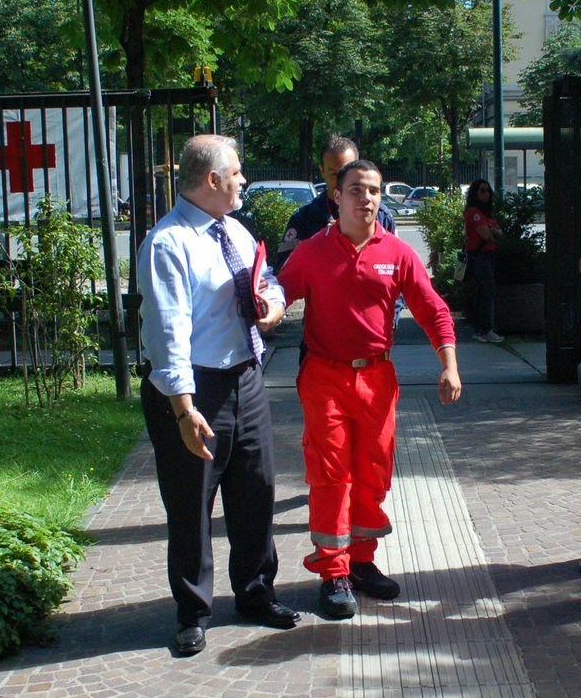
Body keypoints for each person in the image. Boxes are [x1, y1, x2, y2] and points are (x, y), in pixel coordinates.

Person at [278, 159, 462, 619]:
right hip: (325, 376)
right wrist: (266, 308)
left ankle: (361, 563)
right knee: (330, 475)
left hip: (377, 379)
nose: (367, 199)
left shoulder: (397, 251)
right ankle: (333, 573)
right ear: (334, 196)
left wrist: (449, 365)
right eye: (356, 189)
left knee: (373, 474)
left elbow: (433, 309)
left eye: (375, 191)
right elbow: (280, 293)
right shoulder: (312, 251)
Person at [137, 134, 296, 656]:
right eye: (238, 172)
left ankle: (255, 593)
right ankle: (192, 612)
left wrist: (273, 304)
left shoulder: (236, 231)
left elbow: (265, 279)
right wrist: (184, 409)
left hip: (245, 380)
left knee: (256, 491)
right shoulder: (168, 243)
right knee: (191, 503)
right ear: (212, 180)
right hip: (193, 387)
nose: (244, 181)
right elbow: (168, 333)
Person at [274, 136, 397, 269]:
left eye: (346, 172)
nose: (340, 180)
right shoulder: (304, 218)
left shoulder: (381, 215)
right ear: (322, 171)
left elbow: (398, 264)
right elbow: (283, 269)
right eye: (334, 174)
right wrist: (320, 242)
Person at [462, 178, 503, 343]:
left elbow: (499, 233)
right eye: (482, 191)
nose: (486, 194)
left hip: (488, 256)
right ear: (475, 193)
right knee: (486, 292)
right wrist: (493, 231)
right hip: (480, 257)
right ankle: (485, 330)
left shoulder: (487, 213)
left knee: (485, 293)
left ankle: (483, 329)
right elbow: (487, 235)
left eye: (487, 190)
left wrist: (492, 231)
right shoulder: (474, 212)